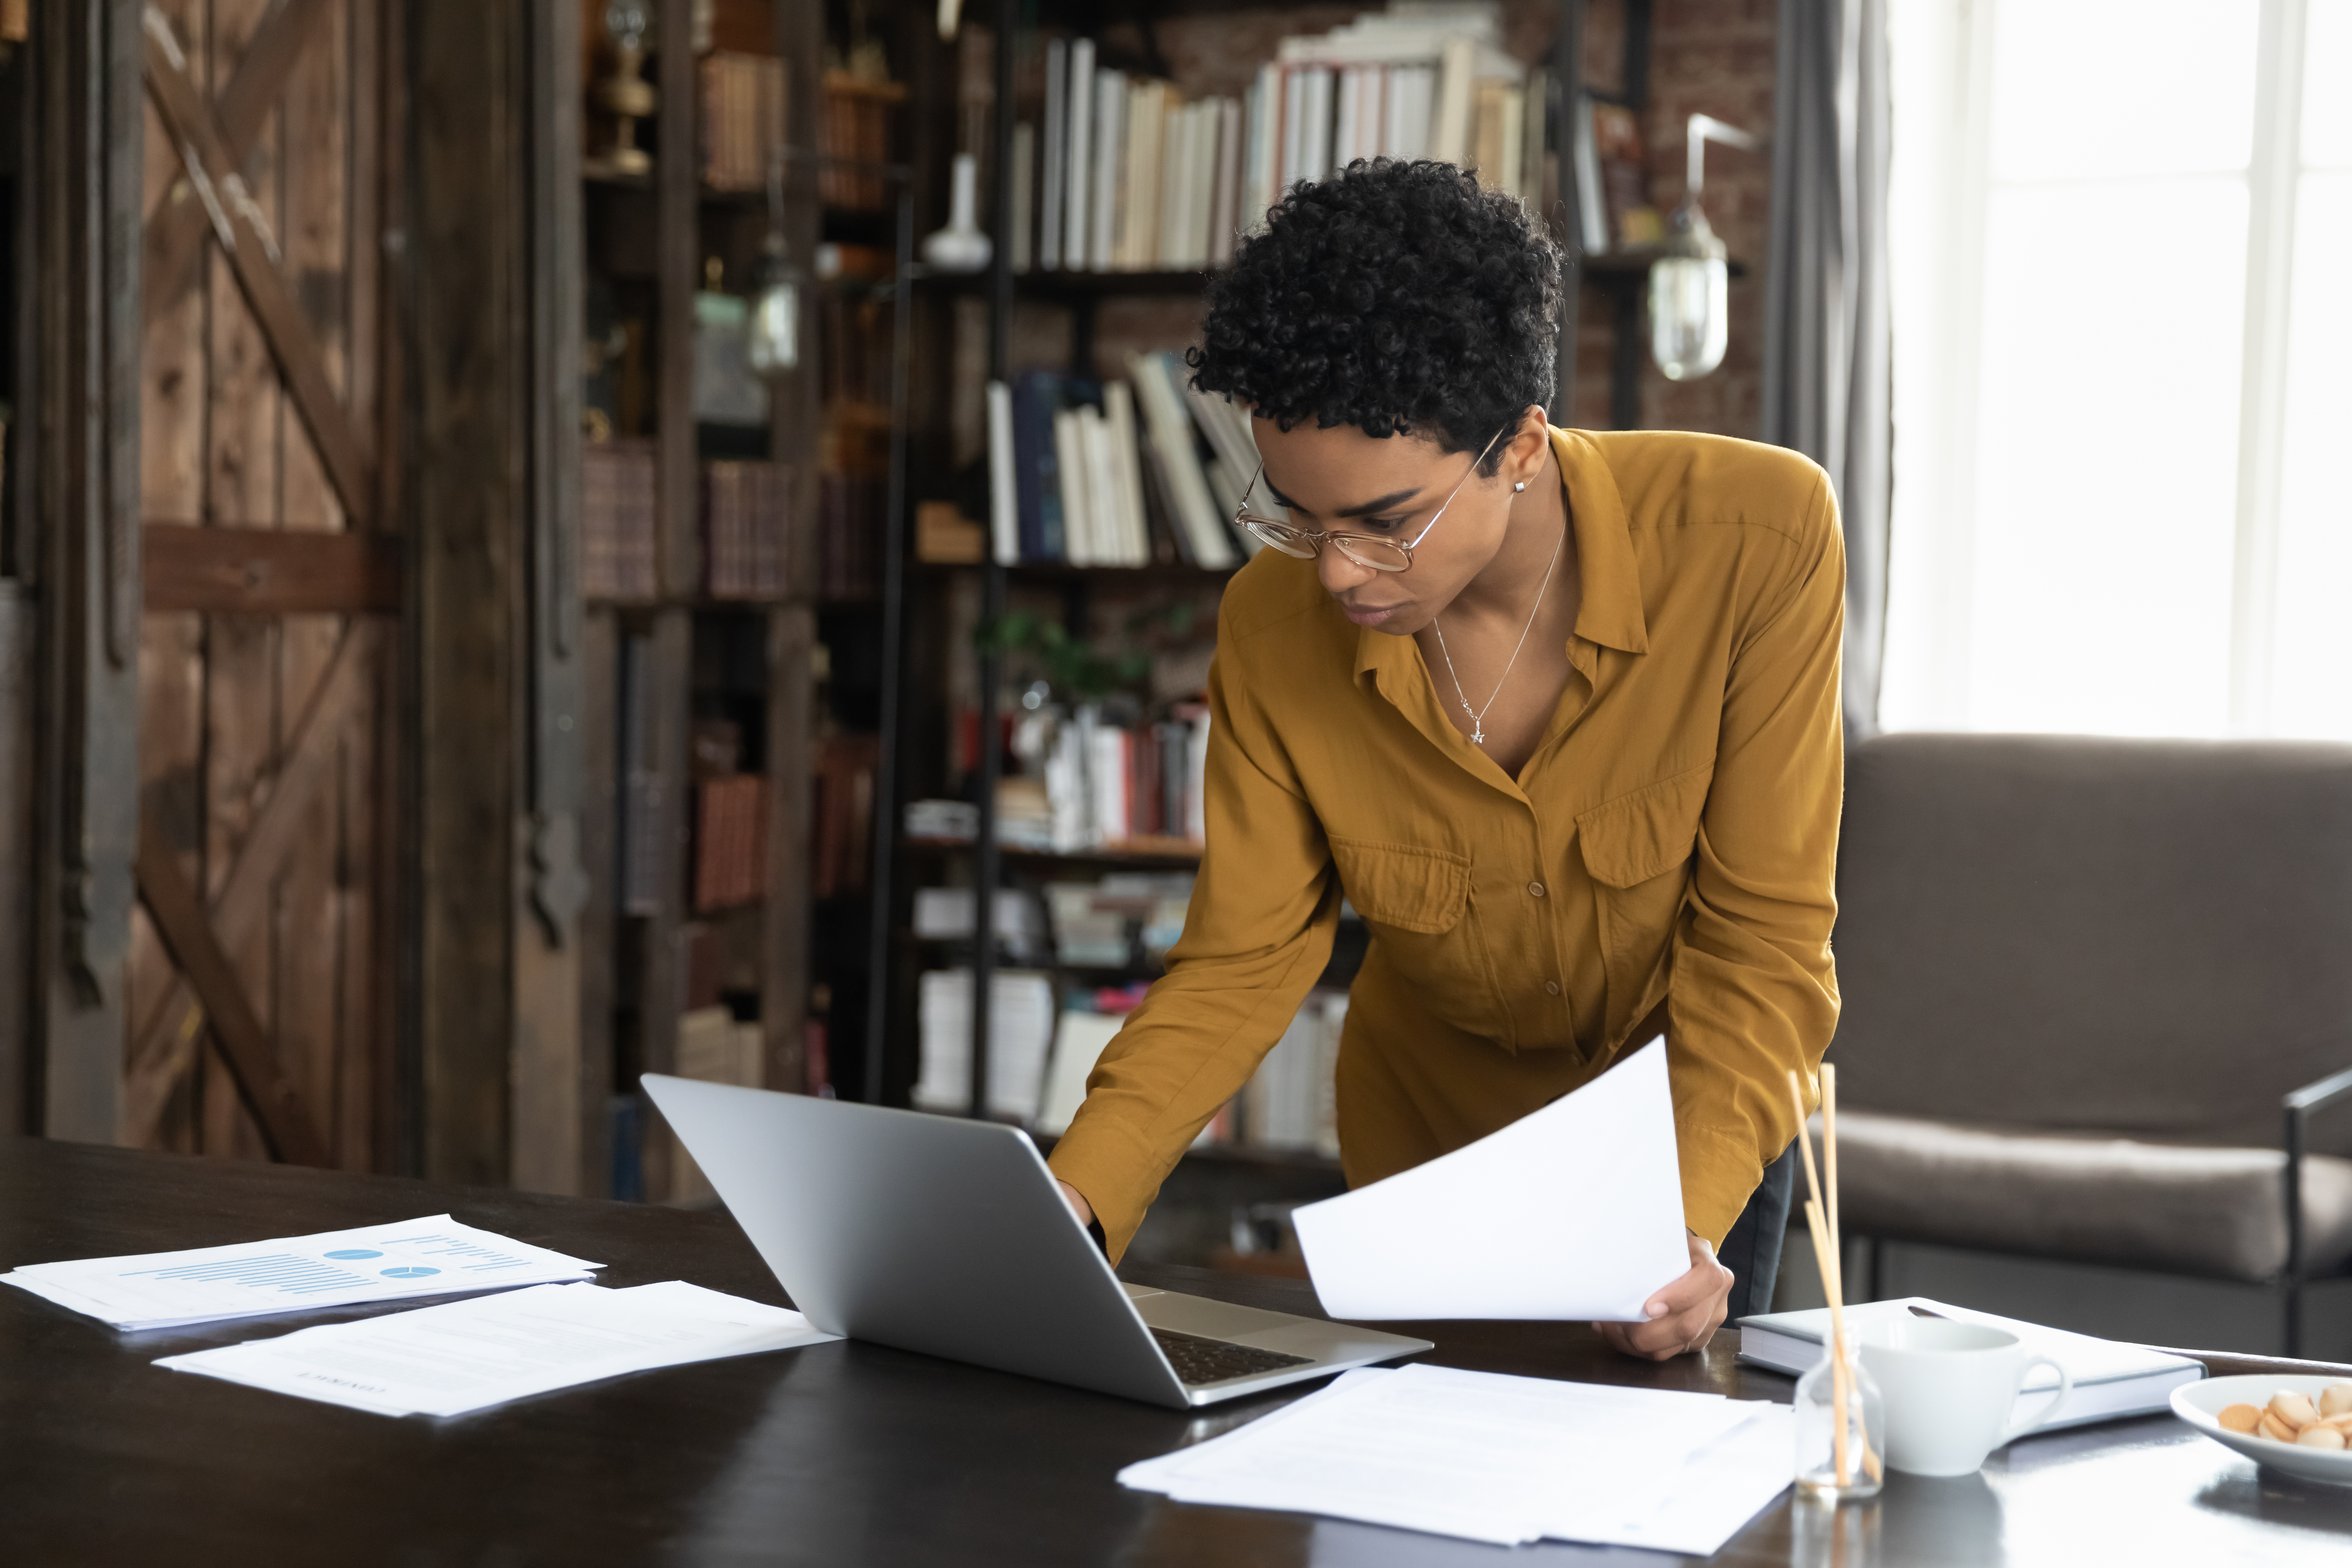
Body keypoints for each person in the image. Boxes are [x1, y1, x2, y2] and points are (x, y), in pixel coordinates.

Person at [1046, 159, 1841, 1359]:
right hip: (1428, 1166)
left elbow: (1764, 941)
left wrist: (1673, 1218)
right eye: (1299, 517)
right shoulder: (1272, 626)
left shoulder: (1758, 539)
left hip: (1691, 1149)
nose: (1335, 572)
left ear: (1519, 445)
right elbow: (1240, 963)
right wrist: (1077, 1199)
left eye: (1384, 520)